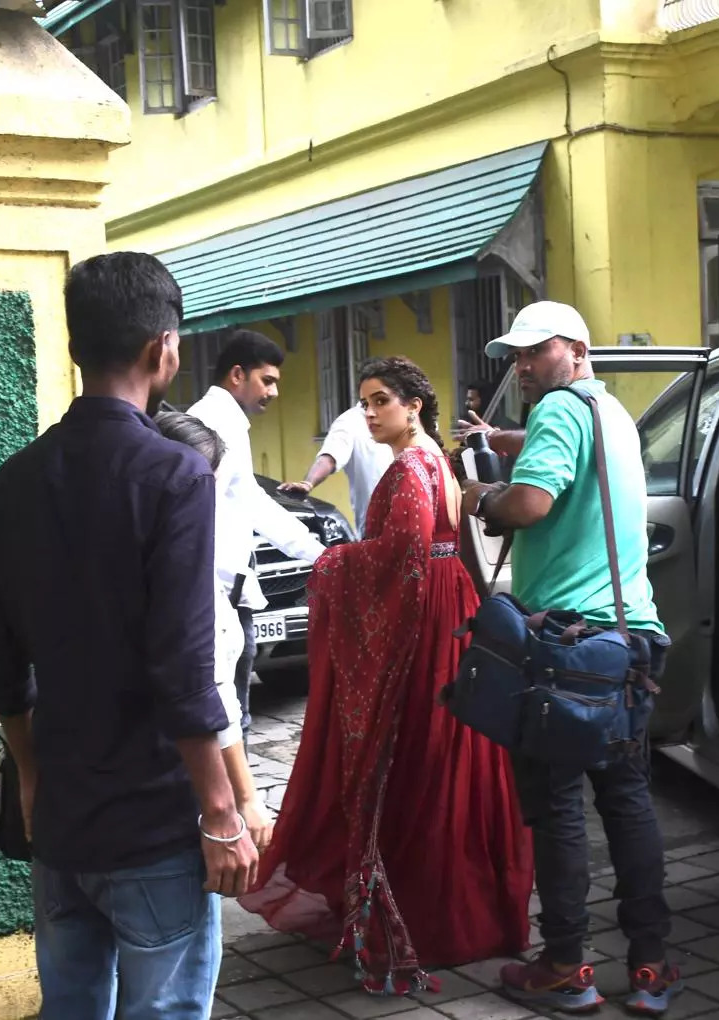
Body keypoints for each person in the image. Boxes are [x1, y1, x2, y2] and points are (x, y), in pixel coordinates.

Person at [0, 252, 258, 1020]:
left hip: (61, 824)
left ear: (77, 346)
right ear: (163, 348)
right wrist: (222, 815)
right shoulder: (174, 476)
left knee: (69, 1008)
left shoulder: (16, 479)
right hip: (155, 828)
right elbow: (185, 671)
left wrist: (32, 775)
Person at [240, 356, 533, 994]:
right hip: (450, 599)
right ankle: (468, 910)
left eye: (380, 402)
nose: (369, 413)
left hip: (424, 618)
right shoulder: (440, 460)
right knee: (449, 755)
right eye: (365, 402)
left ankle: (423, 918)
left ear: (413, 406)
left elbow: (400, 557)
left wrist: (331, 564)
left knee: (412, 760)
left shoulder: (407, 467)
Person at [460, 301, 678, 1015]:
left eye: (536, 352)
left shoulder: (559, 409)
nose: (523, 366)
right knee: (626, 798)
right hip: (633, 639)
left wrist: (481, 495)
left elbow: (530, 505)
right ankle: (650, 969)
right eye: (516, 356)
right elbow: (551, 447)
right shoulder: (610, 413)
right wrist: (500, 436)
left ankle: (563, 967)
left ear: (576, 350)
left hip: (569, 647)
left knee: (556, 805)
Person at [188, 330, 325, 745]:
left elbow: (250, 502)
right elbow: (203, 516)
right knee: (229, 727)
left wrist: (317, 553)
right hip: (216, 601)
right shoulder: (212, 425)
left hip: (231, 598)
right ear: (236, 375)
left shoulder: (228, 421)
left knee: (233, 723)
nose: (274, 392)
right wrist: (320, 555)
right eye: (267, 380)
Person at [155, 410, 274, 855]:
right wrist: (243, 800)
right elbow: (211, 690)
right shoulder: (182, 570)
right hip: (181, 792)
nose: (215, 503)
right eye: (211, 488)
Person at [278, 398, 392, 536]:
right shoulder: (352, 421)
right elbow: (330, 457)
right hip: (378, 533)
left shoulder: (407, 415)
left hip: (418, 527)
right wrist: (308, 483)